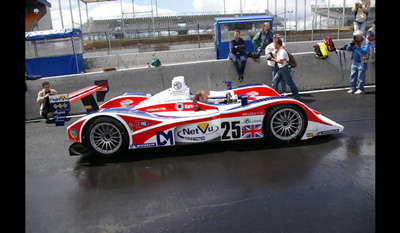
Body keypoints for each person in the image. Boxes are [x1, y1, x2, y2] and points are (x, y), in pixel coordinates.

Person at [346, 30, 371, 95]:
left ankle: (360, 89)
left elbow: (365, 51)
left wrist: (358, 47)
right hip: (355, 61)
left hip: (362, 61)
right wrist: (351, 44)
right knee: (353, 75)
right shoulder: (355, 41)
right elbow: (348, 49)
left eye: (356, 37)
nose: (355, 38)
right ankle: (352, 88)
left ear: (360, 36)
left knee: (361, 76)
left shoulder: (366, 42)